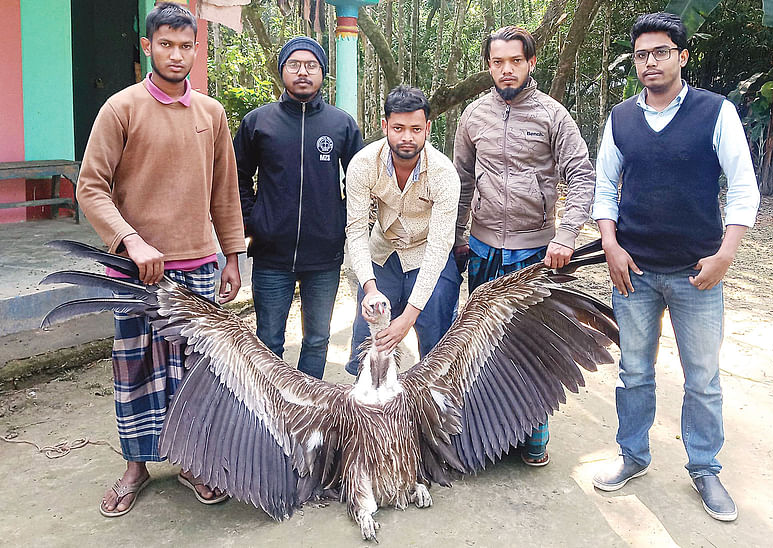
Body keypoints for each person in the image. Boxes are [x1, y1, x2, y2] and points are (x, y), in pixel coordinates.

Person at [76, 2, 246, 516]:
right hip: (135, 273)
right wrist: (131, 240)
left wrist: (232, 257)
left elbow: (226, 193)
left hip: (198, 266)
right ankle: (136, 466)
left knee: (194, 373)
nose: (177, 55)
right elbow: (91, 187)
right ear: (148, 47)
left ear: (197, 50)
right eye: (166, 45)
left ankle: (193, 460)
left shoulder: (211, 114)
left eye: (186, 45)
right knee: (136, 369)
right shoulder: (120, 108)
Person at [591, 12, 760, 522]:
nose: (650, 62)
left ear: (682, 57)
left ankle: (705, 467)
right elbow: (604, 189)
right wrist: (611, 246)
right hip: (634, 272)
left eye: (660, 52)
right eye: (642, 54)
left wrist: (725, 255)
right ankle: (633, 455)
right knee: (634, 372)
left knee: (703, 377)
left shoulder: (715, 112)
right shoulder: (621, 118)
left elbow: (743, 187)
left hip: (697, 273)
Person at [452, 26, 595, 467]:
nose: (507, 70)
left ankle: (534, 433)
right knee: (481, 344)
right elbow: (459, 181)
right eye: (498, 62)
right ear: (488, 66)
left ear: (531, 62)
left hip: (536, 252)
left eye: (515, 61)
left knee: (533, 346)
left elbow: (582, 176)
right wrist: (458, 236)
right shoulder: (473, 116)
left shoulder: (553, 115)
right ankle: (483, 432)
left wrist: (566, 234)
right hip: (483, 247)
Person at [234, 36, 364, 380]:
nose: (302, 72)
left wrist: (340, 222)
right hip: (270, 254)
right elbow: (237, 176)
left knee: (317, 339)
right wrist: (254, 221)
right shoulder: (258, 123)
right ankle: (270, 413)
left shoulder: (341, 125)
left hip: (324, 255)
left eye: (311, 65)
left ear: (323, 73)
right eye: (294, 64)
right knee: (268, 341)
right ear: (282, 71)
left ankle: (310, 412)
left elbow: (361, 182)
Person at [345, 85, 461, 374]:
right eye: (398, 128)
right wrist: (370, 289)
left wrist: (407, 319)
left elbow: (439, 246)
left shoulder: (444, 173)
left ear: (428, 128)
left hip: (427, 254)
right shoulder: (362, 164)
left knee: (437, 344)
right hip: (384, 251)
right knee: (367, 336)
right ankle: (367, 410)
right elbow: (356, 230)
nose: (407, 137)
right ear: (384, 125)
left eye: (416, 129)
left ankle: (435, 410)